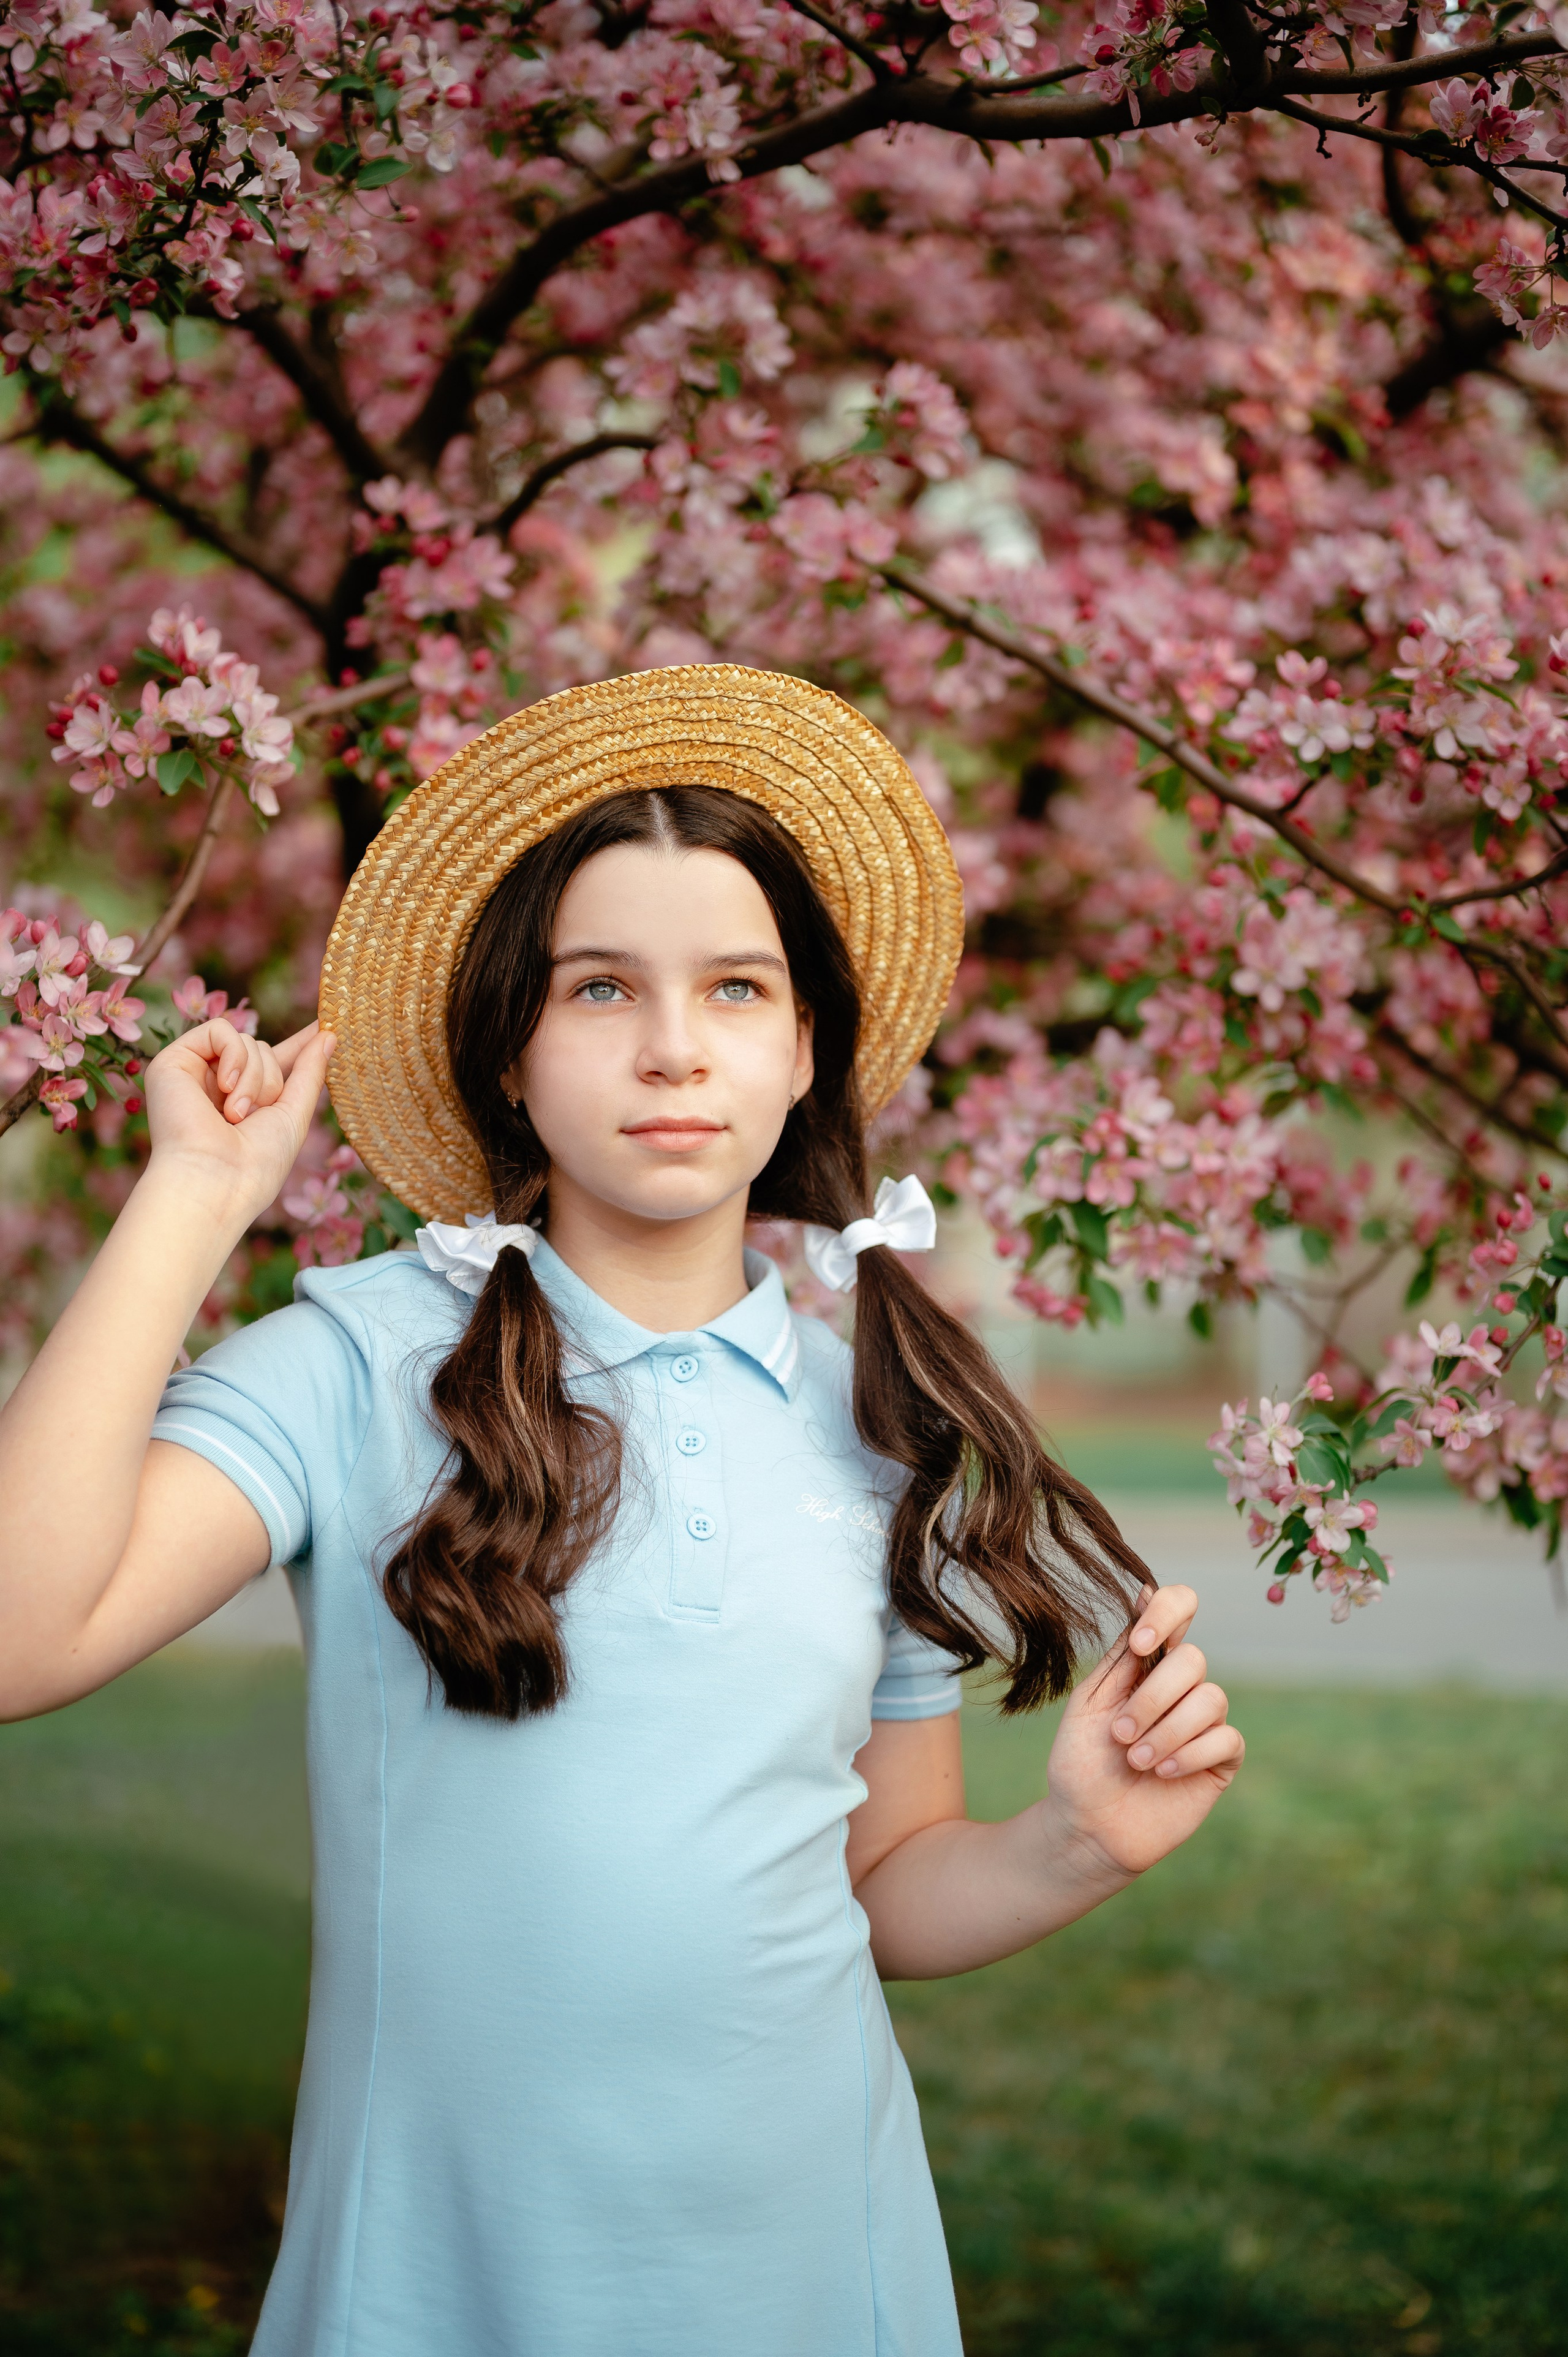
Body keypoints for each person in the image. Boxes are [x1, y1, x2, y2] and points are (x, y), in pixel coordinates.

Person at [0, 665, 1243, 2356]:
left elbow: (884, 1888)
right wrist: (196, 1198)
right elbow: (23, 1634)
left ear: (807, 1048)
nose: (673, 1048)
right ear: (511, 1050)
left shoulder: (878, 1420)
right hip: (436, 2286)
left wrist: (1075, 1841)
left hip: (823, 2276)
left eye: (737, 989)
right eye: (601, 988)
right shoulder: (358, 1362)